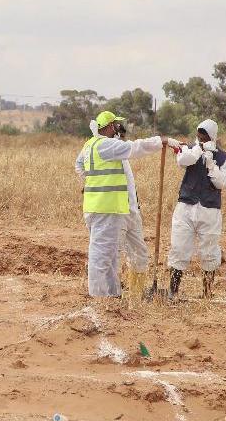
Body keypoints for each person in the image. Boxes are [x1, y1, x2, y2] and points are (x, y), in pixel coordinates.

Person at [75, 111, 177, 302]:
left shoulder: (104, 145)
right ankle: (100, 298)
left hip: (124, 207)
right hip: (106, 208)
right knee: (103, 255)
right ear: (109, 126)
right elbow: (136, 147)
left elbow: (80, 165)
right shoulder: (105, 145)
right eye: (115, 124)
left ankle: (127, 295)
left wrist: (90, 180)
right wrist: (161, 141)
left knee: (133, 252)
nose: (118, 128)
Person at [167, 119, 226, 299]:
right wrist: (198, 149)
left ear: (212, 136)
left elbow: (222, 183)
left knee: (210, 252)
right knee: (179, 248)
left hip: (210, 210)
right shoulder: (190, 149)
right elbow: (182, 161)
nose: (201, 138)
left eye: (204, 136)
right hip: (186, 207)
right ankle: (173, 292)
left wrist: (211, 164)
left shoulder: (224, 157)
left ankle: (207, 294)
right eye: (199, 135)